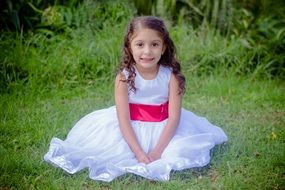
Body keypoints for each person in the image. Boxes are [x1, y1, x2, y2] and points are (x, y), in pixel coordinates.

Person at [44, 16, 228, 182]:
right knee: (109, 152)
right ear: (129, 47)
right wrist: (139, 152)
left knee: (178, 151)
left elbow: (174, 118)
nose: (147, 51)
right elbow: (123, 118)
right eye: (140, 44)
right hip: (128, 127)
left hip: (164, 127)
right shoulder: (124, 78)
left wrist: (157, 152)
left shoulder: (171, 77)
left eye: (154, 44)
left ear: (163, 48)